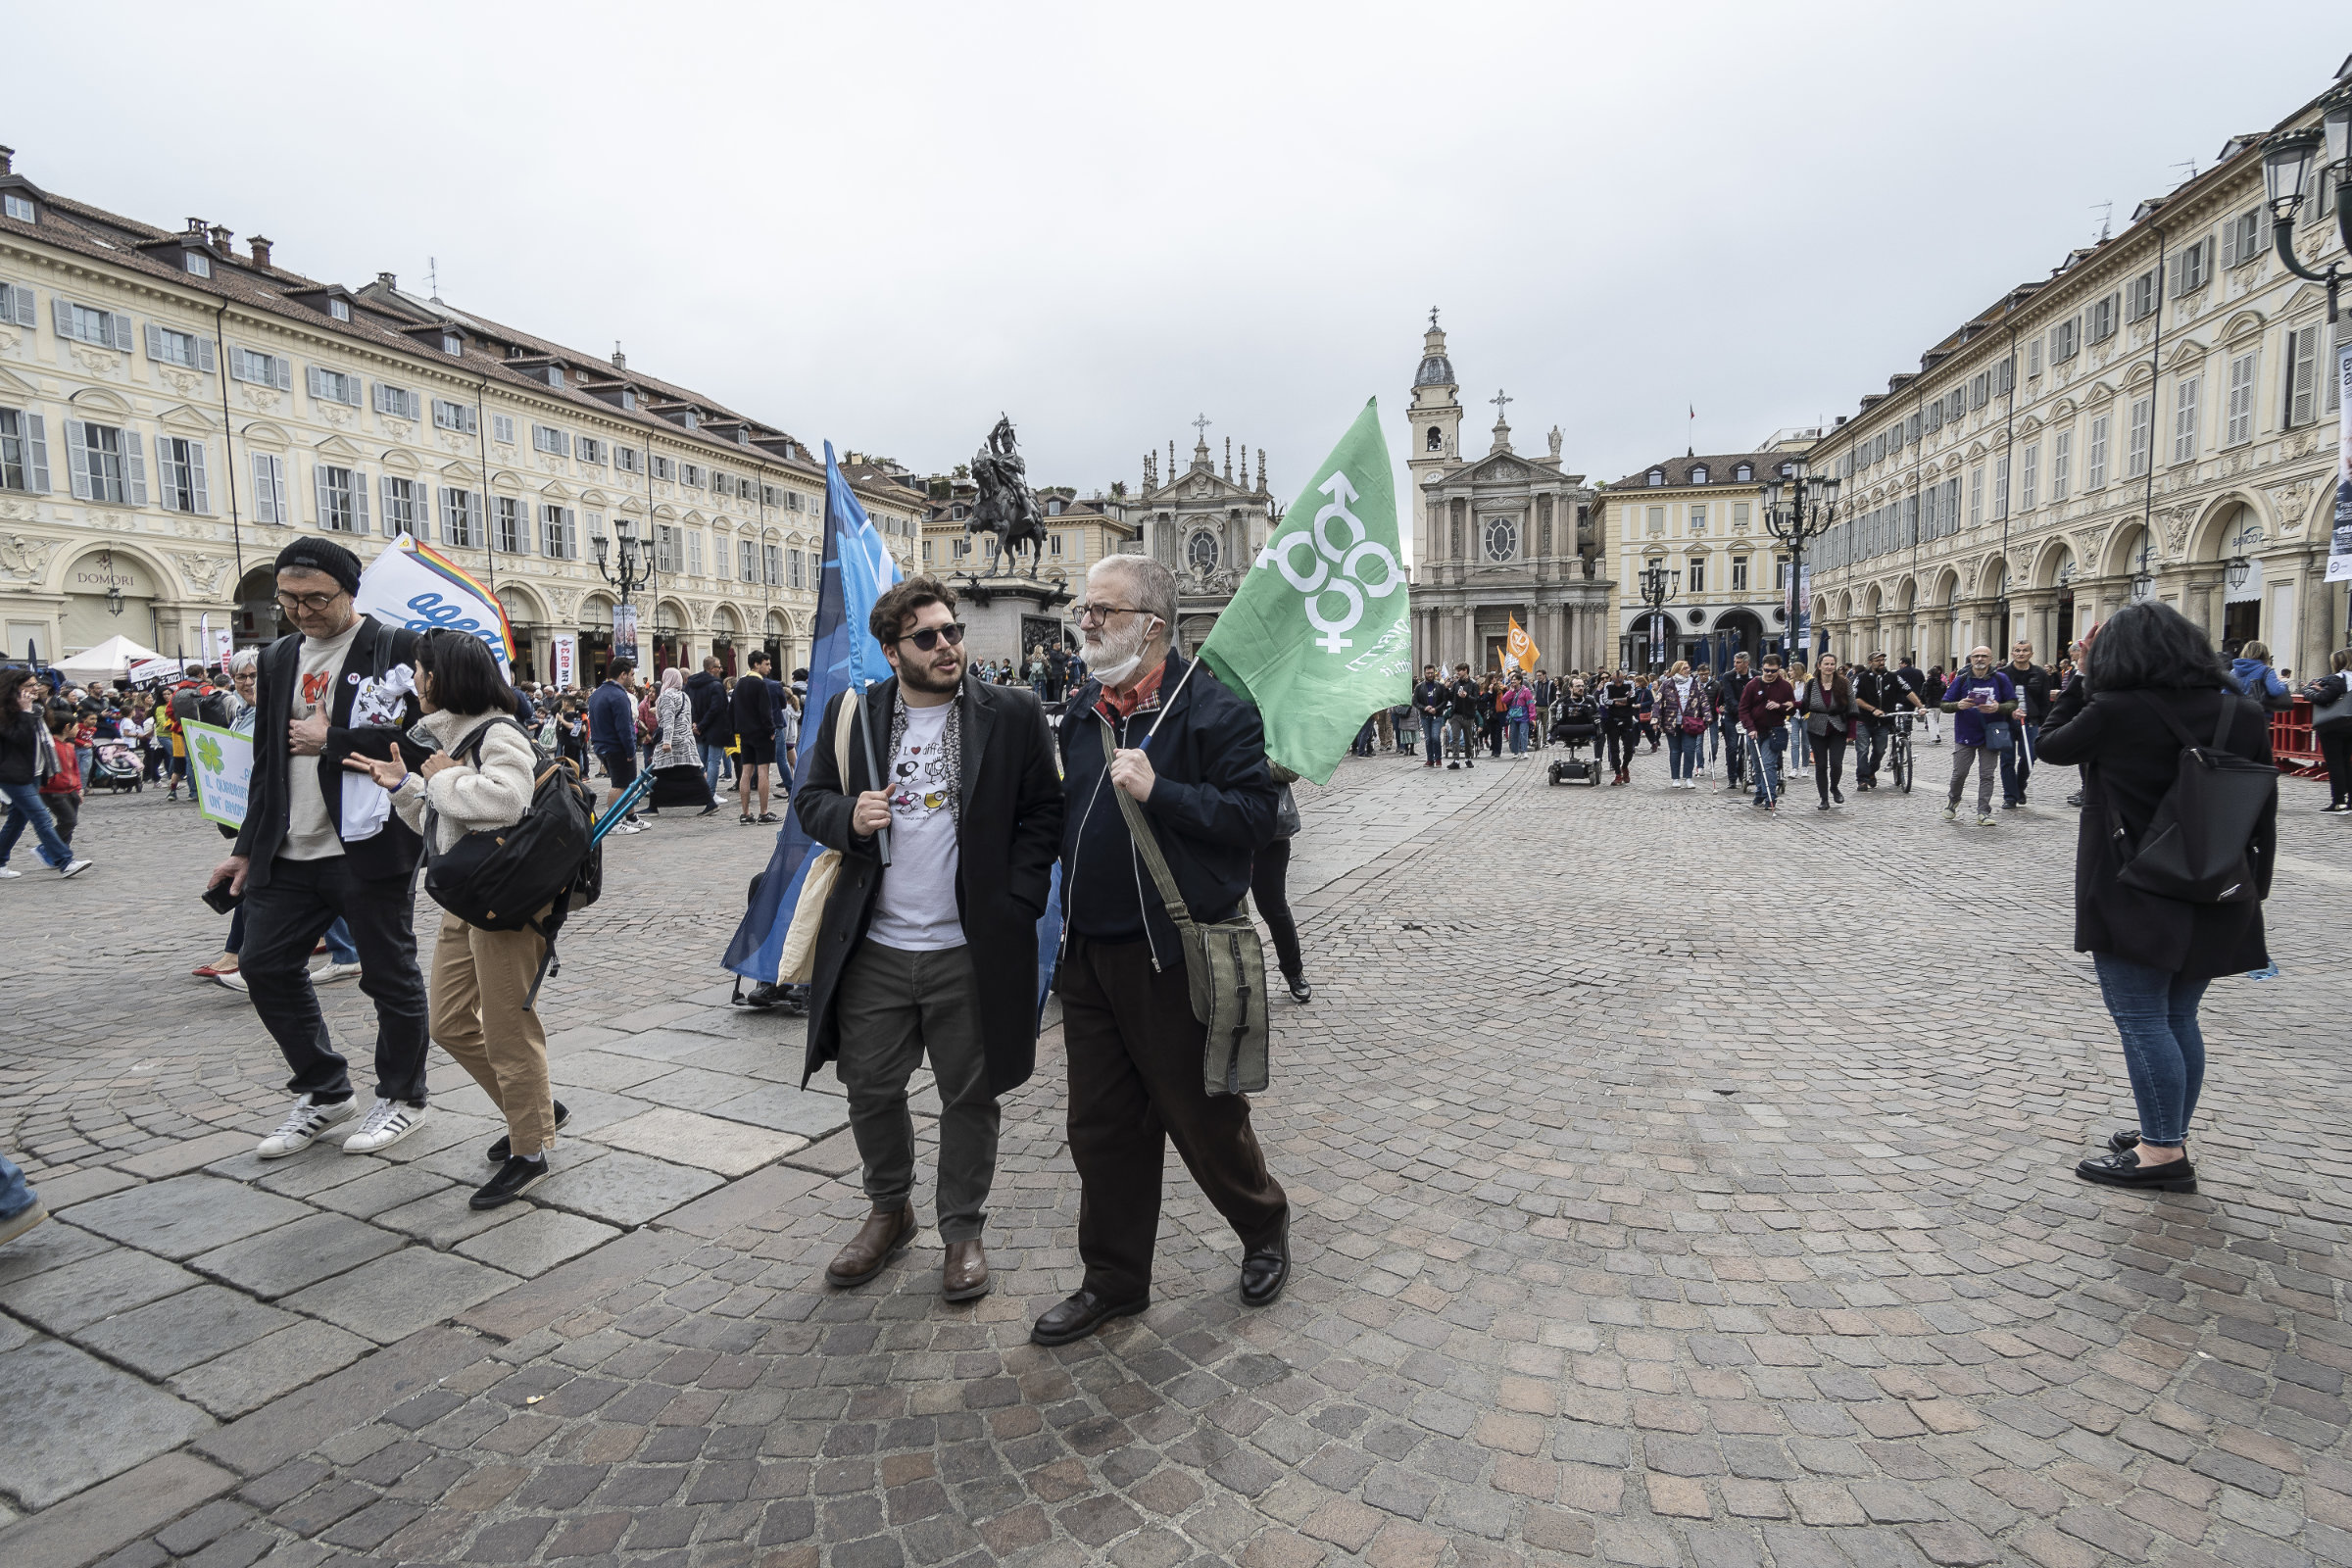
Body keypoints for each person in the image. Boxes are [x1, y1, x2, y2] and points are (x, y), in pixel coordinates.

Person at [1038, 554, 1289, 1347]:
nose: (1085, 622)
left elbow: (1256, 817)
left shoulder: (1213, 707)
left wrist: (1163, 791)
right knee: (1101, 1127)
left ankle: (1263, 1224)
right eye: (1084, 609)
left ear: (1151, 626)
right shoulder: (1085, 710)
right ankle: (1115, 1280)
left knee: (1203, 1117)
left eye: (1101, 610)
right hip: (1090, 957)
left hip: (1174, 956)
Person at [795, 578, 1062, 1299]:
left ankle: (962, 1230)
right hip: (875, 946)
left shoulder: (1010, 712)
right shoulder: (854, 715)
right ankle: (890, 1210)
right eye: (927, 637)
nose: (946, 645)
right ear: (892, 651)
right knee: (868, 1087)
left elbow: (1044, 811)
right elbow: (810, 802)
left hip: (969, 949)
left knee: (970, 1095)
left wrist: (1019, 901)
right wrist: (849, 817)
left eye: (952, 631)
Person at [207, 538, 432, 1160]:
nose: (301, 611)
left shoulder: (397, 646)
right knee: (263, 966)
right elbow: (266, 760)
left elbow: (425, 744)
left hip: (367, 845)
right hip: (288, 847)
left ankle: (404, 1097)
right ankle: (326, 1090)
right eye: (288, 599)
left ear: (348, 592)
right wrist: (246, 847)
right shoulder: (278, 656)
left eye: (315, 599)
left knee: (389, 977)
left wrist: (332, 740)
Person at [2037, 603, 2274, 1194]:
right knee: (2178, 1016)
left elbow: (2050, 744)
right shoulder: (2241, 711)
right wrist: (2252, 888)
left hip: (2133, 884)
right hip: (2216, 881)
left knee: (2142, 1018)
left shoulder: (2116, 710)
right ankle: (2166, 1130)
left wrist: (2081, 677)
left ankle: (2162, 1151)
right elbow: (2262, 810)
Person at [343, 630, 564, 1208]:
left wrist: (439, 778)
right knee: (448, 1022)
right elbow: (447, 826)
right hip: (468, 897)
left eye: (419, 671)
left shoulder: (497, 732)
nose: (413, 681)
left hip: (507, 904)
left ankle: (529, 1150)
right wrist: (407, 788)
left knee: (509, 1029)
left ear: (439, 677)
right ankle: (536, 1108)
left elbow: (506, 802)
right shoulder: (453, 736)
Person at [196, 651, 361, 990]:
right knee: (267, 881)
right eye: (241, 677)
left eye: (254, 675)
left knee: (276, 883)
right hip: (257, 809)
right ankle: (247, 957)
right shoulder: (241, 713)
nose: (248, 683)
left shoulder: (278, 711)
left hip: (290, 814)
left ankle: (248, 958)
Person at [0, 667, 93, 879]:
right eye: (29, 685)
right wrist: (25, 712)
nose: (36, 688)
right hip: (13, 774)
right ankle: (65, 861)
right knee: (40, 815)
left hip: (35, 771)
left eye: (36, 684)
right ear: (14, 688)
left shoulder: (36, 709)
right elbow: (20, 739)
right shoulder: (6, 712)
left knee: (17, 819)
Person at [1939, 645, 2016, 826]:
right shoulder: (1961, 680)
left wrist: (1998, 707)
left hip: (1991, 735)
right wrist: (1958, 705)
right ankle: (1953, 801)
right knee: (1959, 773)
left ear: (1990, 659)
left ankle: (1983, 812)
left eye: (1984, 656)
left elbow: (2013, 703)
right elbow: (1944, 705)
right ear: (1971, 659)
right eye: (1976, 656)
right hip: (1965, 734)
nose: (1980, 659)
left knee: (1987, 775)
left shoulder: (2000, 678)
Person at [1254, 762, 1311, 1003]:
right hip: (1225, 828)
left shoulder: (1273, 737)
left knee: (1274, 907)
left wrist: (1250, 759)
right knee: (1223, 907)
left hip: (1270, 831)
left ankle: (1293, 971)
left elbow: (1291, 771)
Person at [588, 659, 646, 834]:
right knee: (620, 785)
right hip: (616, 746)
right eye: (631, 675)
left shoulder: (597, 693)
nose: (633, 679)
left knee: (627, 784)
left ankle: (630, 817)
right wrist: (630, 750)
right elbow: (625, 727)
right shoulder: (619, 695)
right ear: (623, 674)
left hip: (602, 744)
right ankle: (613, 822)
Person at [1798, 652, 1859, 810]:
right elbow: (1804, 704)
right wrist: (1790, 706)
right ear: (1819, 666)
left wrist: (1852, 732)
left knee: (1836, 764)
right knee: (1821, 765)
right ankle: (1824, 798)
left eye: (1832, 664)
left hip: (1838, 727)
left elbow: (1852, 707)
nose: (1829, 667)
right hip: (1816, 728)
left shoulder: (1843, 683)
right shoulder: (1812, 684)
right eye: (1826, 664)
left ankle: (1834, 787)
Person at [1737, 653, 1795, 808]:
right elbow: (1743, 709)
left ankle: (1770, 797)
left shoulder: (1785, 686)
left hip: (1774, 730)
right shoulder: (1752, 685)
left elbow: (1792, 709)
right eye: (1766, 670)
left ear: (1779, 669)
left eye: (1773, 671)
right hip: (1755, 731)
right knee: (1757, 764)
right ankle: (1760, 791)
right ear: (1762, 668)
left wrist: (1780, 706)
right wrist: (1750, 727)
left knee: (1768, 763)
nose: (1769, 674)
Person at [2000, 639, 2054, 808]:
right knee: (2007, 760)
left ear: (2031, 653)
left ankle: (2019, 787)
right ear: (2012, 653)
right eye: (2017, 650)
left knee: (2030, 755)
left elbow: (2045, 700)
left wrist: (2044, 724)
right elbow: (1997, 699)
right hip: (2007, 722)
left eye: (2024, 650)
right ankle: (2010, 796)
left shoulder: (2040, 673)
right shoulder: (2002, 674)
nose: (2021, 653)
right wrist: (2008, 711)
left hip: (2031, 721)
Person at [1852, 651, 1917, 790]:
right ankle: (1862, 780)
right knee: (1862, 750)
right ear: (1870, 662)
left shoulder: (1893, 677)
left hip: (1884, 721)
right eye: (1878, 660)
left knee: (1880, 750)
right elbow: (1854, 697)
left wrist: (1921, 706)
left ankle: (1871, 772)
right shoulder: (1861, 678)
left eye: (1883, 660)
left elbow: (1908, 691)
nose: (1881, 663)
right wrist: (1872, 709)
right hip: (1863, 720)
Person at [2300, 650, 2352, 812]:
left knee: (2335, 762)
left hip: (2332, 724)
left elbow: (2322, 699)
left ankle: (2338, 801)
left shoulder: (2336, 679)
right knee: (2346, 762)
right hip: (2350, 723)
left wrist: (2308, 690)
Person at [734, 650, 782, 824]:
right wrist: (771, 730)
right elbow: (765, 711)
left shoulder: (740, 683)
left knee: (746, 772)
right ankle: (764, 812)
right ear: (756, 664)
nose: (770, 667)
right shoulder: (759, 684)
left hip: (745, 733)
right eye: (766, 664)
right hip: (761, 733)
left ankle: (745, 813)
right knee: (763, 772)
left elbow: (733, 709)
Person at [647, 665, 698, 813]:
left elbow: (668, 721)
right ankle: (654, 805)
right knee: (688, 770)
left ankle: (653, 806)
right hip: (685, 739)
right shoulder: (684, 695)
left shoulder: (666, 696)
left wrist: (667, 741)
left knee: (658, 769)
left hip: (671, 740)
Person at [1655, 660, 1711, 789]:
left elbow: (1704, 701)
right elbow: (1658, 702)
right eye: (1685, 668)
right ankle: (1675, 778)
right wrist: (1656, 719)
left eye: (1688, 667)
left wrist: (1707, 716)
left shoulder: (1695, 683)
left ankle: (1688, 777)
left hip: (1690, 722)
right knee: (1675, 751)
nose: (1688, 669)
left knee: (1689, 749)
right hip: (1672, 722)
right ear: (1678, 669)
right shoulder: (1667, 683)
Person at [688, 656, 731, 812]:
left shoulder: (692, 683)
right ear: (711, 669)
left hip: (698, 727)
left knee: (701, 762)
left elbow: (690, 704)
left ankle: (700, 791)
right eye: (719, 667)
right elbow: (717, 708)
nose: (721, 669)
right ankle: (710, 794)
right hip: (715, 728)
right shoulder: (716, 685)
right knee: (714, 761)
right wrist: (701, 725)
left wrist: (696, 723)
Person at [1712, 653, 1754, 793]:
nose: (1735, 664)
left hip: (1750, 716)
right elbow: (1729, 697)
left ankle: (1744, 773)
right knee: (1732, 746)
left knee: (1747, 746)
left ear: (1746, 663)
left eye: (1739, 662)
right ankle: (1732, 778)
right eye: (1735, 662)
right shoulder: (1728, 677)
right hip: (1732, 715)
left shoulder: (1756, 676)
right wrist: (1741, 711)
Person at [1597, 668, 1638, 785]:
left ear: (1623, 678)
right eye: (1615, 681)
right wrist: (1621, 701)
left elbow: (1632, 698)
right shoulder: (1609, 686)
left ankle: (1624, 766)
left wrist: (1615, 700)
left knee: (1629, 748)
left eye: (1620, 681)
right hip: (1613, 720)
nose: (1618, 684)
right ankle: (1617, 773)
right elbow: (1606, 700)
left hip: (1627, 719)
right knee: (1614, 748)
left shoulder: (1630, 684)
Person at [2228, 640, 2290, 707]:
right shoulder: (2266, 671)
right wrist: (2282, 684)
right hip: (2258, 709)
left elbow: (2226, 693)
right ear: (2264, 655)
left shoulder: (2233, 672)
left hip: (2237, 709)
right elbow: (2275, 691)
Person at [1445, 663, 1481, 769]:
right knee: (1455, 738)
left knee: (1468, 738)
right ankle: (1456, 760)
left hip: (1468, 715)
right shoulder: (1456, 684)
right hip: (1456, 714)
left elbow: (1476, 699)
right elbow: (1451, 698)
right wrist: (1446, 689)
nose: (1458, 673)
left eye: (1459, 671)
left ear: (1465, 670)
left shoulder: (1473, 684)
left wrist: (1467, 696)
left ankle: (1468, 758)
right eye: (1457, 671)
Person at [1412, 664, 1448, 769]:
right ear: (1424, 673)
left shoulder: (1439, 686)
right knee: (1428, 739)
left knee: (1435, 737)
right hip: (1425, 716)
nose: (1430, 675)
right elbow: (1415, 701)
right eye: (1428, 673)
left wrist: (1436, 709)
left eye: (1432, 673)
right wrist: (1424, 708)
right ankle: (1430, 759)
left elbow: (1444, 701)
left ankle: (1438, 759)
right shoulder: (1419, 687)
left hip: (1437, 715)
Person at [1501, 671, 1537, 757]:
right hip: (1514, 715)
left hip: (1524, 716)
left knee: (1523, 733)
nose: (1513, 681)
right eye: (1512, 680)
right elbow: (1504, 700)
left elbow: (1530, 704)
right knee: (1513, 734)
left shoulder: (1526, 691)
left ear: (1520, 680)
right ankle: (1515, 751)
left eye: (1515, 680)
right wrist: (1510, 691)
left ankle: (1524, 751)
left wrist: (1532, 717)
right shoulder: (1511, 691)